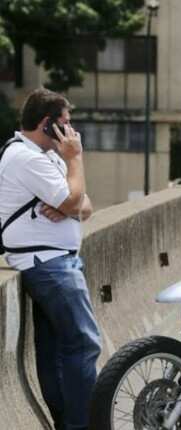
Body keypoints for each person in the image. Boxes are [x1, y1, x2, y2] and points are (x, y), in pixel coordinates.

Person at [0, 88, 100, 430]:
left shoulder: (47, 156)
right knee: (84, 343)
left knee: (58, 350)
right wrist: (75, 160)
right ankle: (81, 425)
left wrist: (70, 203)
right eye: (66, 124)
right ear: (47, 124)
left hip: (57, 261)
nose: (71, 133)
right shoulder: (25, 158)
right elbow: (75, 202)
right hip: (47, 264)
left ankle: (68, 423)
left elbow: (84, 204)